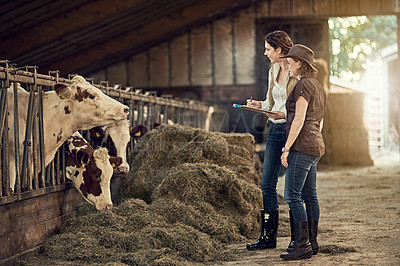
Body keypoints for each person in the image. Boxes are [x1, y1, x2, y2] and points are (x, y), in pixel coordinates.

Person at [245, 30, 298, 251]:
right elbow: (271, 103)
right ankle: (268, 237)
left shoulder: (297, 71)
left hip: (293, 131)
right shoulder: (272, 70)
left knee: (295, 189)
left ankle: (298, 239)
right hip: (275, 131)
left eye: (268, 49)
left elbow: (299, 110)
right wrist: (258, 105)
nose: (265, 53)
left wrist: (282, 115)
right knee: (266, 183)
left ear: (279, 49)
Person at [279, 44, 326, 260]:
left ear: (300, 64)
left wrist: (287, 147)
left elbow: (299, 119)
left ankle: (302, 245)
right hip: (315, 144)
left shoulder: (302, 87)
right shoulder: (317, 86)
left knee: (291, 195)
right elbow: (318, 120)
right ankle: (312, 243)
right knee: (310, 196)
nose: (288, 67)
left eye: (290, 63)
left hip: (302, 146)